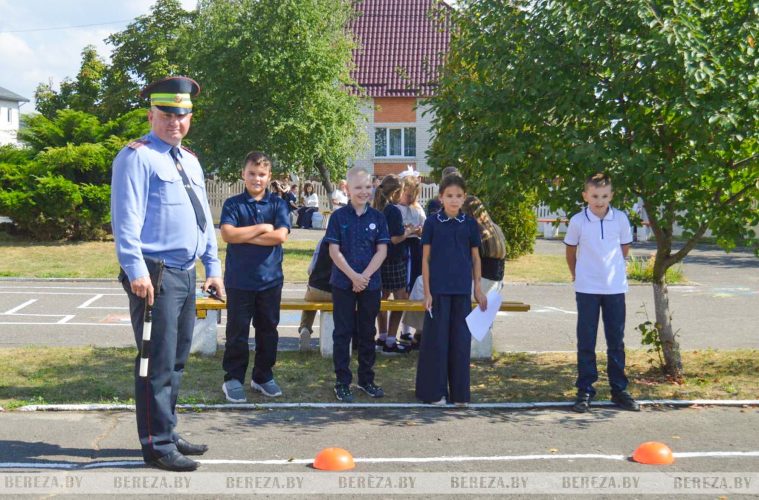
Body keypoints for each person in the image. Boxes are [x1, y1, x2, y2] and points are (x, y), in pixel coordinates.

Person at [111, 75, 224, 472]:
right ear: (151, 115)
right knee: (155, 363)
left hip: (185, 273)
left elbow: (203, 218)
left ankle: (167, 428)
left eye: (183, 115)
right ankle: (156, 445)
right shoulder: (136, 157)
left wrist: (213, 266)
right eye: (167, 115)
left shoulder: (189, 159)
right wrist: (135, 270)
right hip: (154, 276)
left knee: (176, 361)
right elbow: (125, 220)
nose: (176, 122)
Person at [564, 172, 640, 413]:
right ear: (585, 195)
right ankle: (585, 390)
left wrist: (612, 272)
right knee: (586, 340)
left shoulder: (620, 219)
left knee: (616, 341)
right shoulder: (578, 221)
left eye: (605, 196)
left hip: (614, 288)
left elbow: (623, 249)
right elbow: (570, 251)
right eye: (595, 196)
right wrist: (577, 275)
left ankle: (619, 390)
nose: (600, 201)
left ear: (611, 196)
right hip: (587, 288)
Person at [219, 152, 291, 403]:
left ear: (269, 177)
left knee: (267, 331)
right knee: (237, 332)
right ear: (243, 174)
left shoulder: (278, 205)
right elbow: (228, 234)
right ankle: (233, 378)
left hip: (270, 280)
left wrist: (244, 236)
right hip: (239, 281)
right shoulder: (233, 204)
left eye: (261, 174)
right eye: (252, 173)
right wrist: (261, 229)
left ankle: (262, 376)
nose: (256, 179)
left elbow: (280, 236)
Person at [415, 174, 486, 406]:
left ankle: (459, 395)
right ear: (441, 197)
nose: (454, 200)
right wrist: (427, 293)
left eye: (458, 196)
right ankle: (434, 394)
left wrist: (478, 288)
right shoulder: (432, 223)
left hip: (461, 292)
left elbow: (475, 258)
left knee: (460, 343)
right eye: (449, 196)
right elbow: (425, 259)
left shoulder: (470, 224)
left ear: (464, 198)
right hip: (438, 292)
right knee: (436, 343)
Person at [325, 166, 390, 402]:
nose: (364, 192)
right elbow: (334, 251)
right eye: (358, 187)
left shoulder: (378, 218)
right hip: (343, 284)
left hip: (370, 285)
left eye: (368, 187)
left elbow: (382, 251)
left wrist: (364, 277)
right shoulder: (338, 217)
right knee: (342, 333)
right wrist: (353, 276)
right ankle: (342, 382)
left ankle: (366, 379)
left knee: (367, 332)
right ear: (348, 189)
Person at [373, 174, 415, 354]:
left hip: (377, 259)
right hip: (394, 259)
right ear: (396, 192)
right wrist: (409, 231)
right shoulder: (393, 211)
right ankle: (391, 340)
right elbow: (395, 238)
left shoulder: (375, 207)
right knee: (400, 299)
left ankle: (382, 336)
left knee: (381, 299)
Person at [397, 174, 425, 345]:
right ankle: (404, 330)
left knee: (414, 286)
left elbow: (424, 226)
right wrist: (406, 230)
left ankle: (411, 329)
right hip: (402, 248)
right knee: (404, 288)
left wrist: (419, 230)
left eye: (413, 196)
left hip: (415, 248)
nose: (410, 199)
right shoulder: (397, 209)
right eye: (407, 195)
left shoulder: (418, 209)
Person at [298, 237, 333, 351]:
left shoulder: (323, 241)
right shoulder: (351, 239)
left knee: (309, 301)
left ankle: (305, 328)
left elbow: (310, 269)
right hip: (337, 292)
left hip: (316, 288)